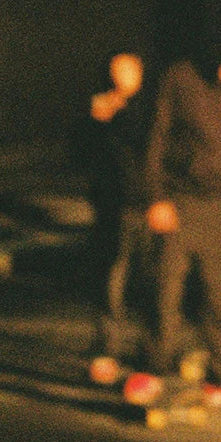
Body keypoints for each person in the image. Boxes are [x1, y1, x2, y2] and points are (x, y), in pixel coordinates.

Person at [143, 19, 221, 414]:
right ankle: (152, 371)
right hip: (179, 202)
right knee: (166, 291)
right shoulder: (182, 79)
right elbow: (157, 138)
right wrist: (156, 197)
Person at [86, 51, 153, 357]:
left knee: (152, 280)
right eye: (116, 70)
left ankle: (151, 351)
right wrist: (96, 123)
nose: (121, 77)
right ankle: (106, 350)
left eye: (128, 69)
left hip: (150, 205)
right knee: (111, 280)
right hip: (113, 207)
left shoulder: (152, 107)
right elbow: (82, 154)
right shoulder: (99, 108)